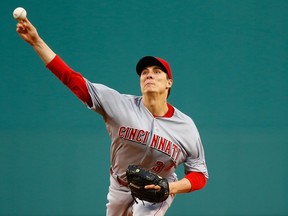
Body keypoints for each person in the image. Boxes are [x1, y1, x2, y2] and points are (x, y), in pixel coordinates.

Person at [16, 18, 209, 216]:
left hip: (158, 191)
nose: (149, 75)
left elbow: (199, 174)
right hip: (119, 185)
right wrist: (37, 42)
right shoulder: (119, 105)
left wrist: (171, 188)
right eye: (144, 72)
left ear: (169, 83)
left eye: (157, 72)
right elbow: (72, 80)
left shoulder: (185, 126)